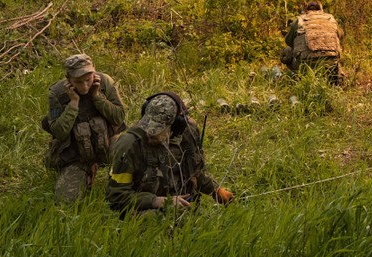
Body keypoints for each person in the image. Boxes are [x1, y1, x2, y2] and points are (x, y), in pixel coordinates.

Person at [106, 92, 234, 217]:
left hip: (183, 208)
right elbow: (117, 197)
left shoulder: (187, 135)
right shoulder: (129, 145)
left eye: (159, 129)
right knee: (156, 219)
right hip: (147, 210)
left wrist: (215, 190)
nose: (152, 133)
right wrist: (156, 201)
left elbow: (194, 172)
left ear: (176, 126)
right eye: (149, 126)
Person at [42, 53, 126, 203]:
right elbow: (59, 132)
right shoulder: (57, 93)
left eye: (88, 80)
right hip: (76, 154)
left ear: (94, 73)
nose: (84, 86)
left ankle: (119, 188)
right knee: (64, 201)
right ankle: (87, 172)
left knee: (127, 153)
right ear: (68, 79)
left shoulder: (105, 82)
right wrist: (73, 103)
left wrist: (97, 96)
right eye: (78, 82)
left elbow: (119, 117)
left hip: (106, 143)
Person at [280, 1, 343, 83]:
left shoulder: (299, 20)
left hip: (307, 62)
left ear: (306, 10)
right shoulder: (331, 19)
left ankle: (298, 79)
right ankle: (335, 80)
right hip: (331, 60)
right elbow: (340, 36)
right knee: (335, 58)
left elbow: (288, 41)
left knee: (287, 51)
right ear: (321, 9)